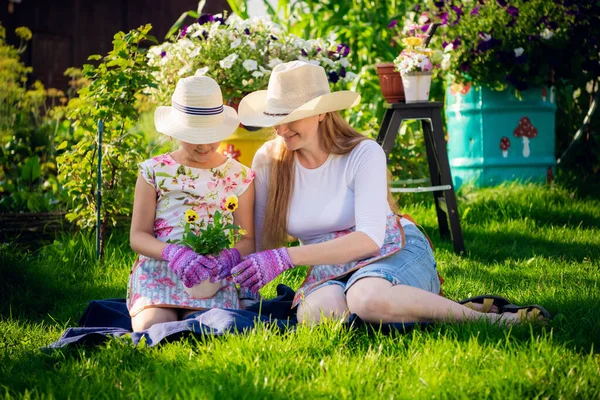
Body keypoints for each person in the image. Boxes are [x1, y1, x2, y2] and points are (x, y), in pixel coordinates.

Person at [231, 61, 548, 326]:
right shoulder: (270, 160)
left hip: (389, 249)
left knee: (366, 299)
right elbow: (260, 242)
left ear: (321, 113)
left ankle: (488, 320)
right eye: (277, 119)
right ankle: (416, 307)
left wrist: (287, 258)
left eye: (291, 118)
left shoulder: (362, 153)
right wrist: (218, 268)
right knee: (319, 315)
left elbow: (369, 239)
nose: (282, 129)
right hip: (326, 266)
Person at [127, 76, 256, 332]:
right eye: (194, 135)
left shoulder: (239, 176)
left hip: (212, 274)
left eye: (211, 135)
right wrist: (173, 253)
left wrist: (227, 258)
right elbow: (138, 236)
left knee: (208, 326)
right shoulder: (154, 171)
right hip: (158, 268)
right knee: (151, 326)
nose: (204, 145)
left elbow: (247, 239)